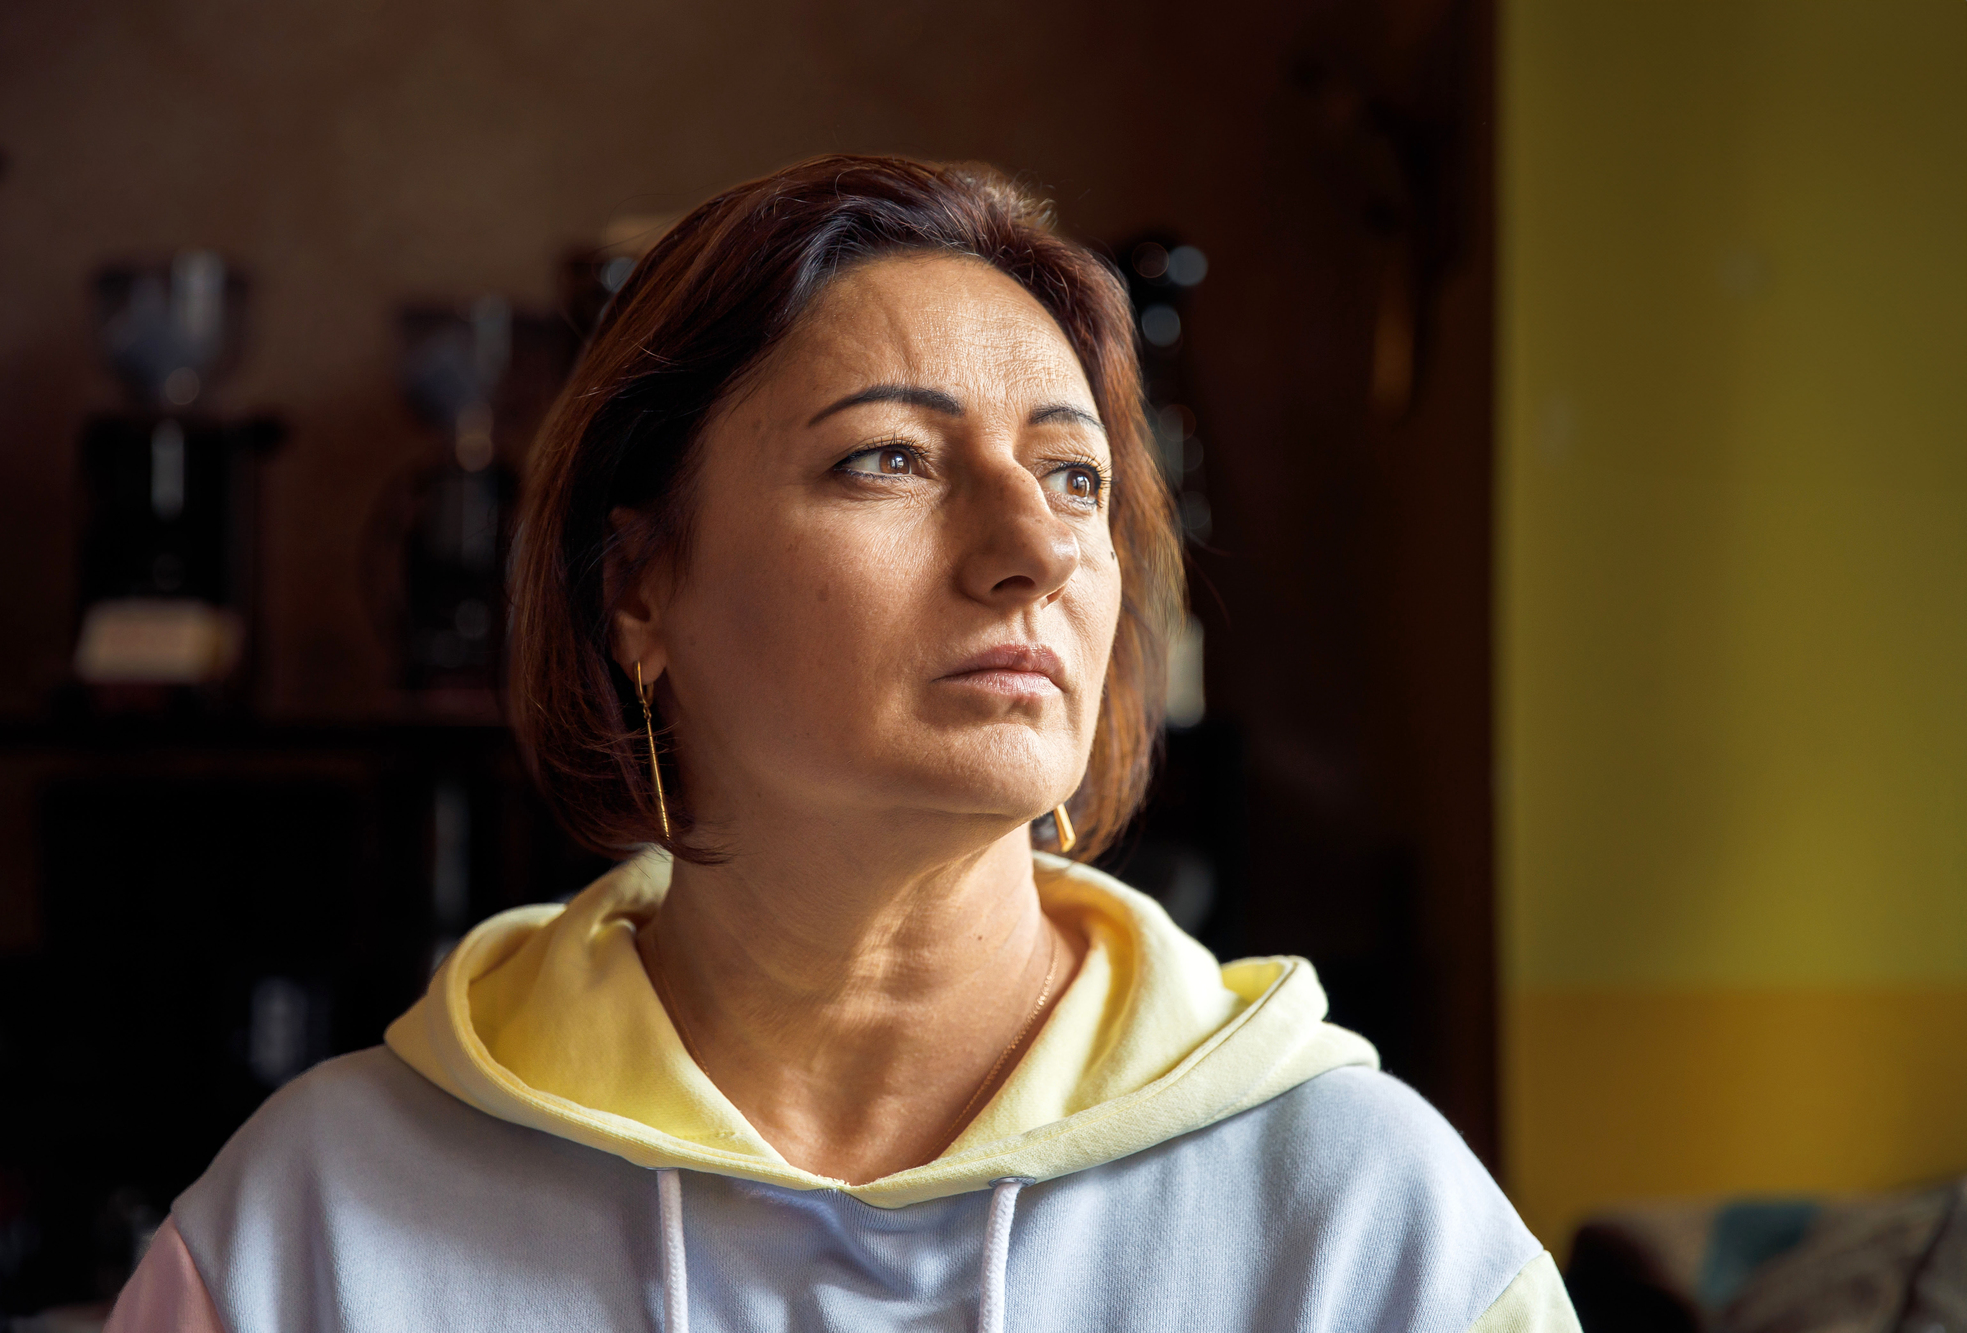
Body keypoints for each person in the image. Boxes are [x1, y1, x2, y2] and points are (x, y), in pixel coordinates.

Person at [104, 155, 1577, 1332]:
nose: (1033, 551)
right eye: (890, 458)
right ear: (638, 586)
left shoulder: (1364, 1222)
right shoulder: (313, 1230)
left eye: (1073, 475)